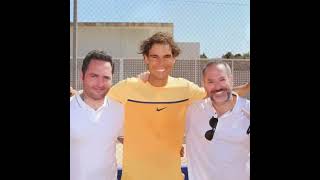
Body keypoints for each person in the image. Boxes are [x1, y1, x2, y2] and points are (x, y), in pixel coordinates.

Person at [107, 32, 207, 180]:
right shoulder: (128, 87)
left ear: (173, 59)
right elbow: (94, 97)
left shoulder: (185, 88)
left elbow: (218, 94)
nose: (161, 62)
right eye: (155, 57)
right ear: (146, 59)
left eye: (166, 56)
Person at [185, 61, 250, 180]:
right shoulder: (192, 110)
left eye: (222, 79)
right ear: (203, 84)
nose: (217, 86)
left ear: (231, 79)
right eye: (210, 81)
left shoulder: (247, 110)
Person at [70, 50, 124, 180]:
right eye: (94, 76)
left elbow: (134, 142)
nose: (100, 84)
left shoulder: (119, 110)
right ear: (82, 76)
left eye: (106, 77)